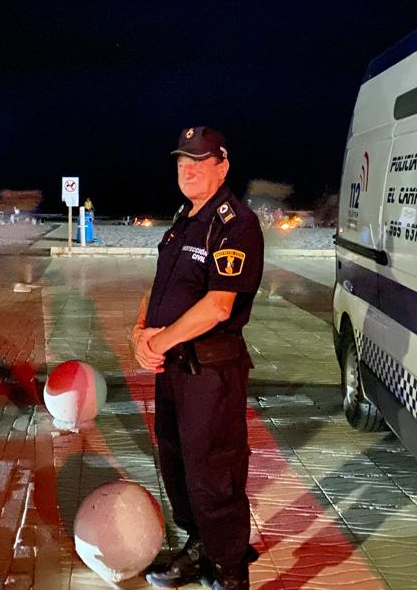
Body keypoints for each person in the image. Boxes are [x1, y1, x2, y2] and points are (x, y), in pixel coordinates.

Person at [132, 126, 265, 590]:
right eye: (181, 162)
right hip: (175, 367)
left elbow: (218, 306)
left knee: (214, 471)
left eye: (198, 162)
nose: (187, 170)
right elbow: (161, 287)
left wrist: (158, 341)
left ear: (222, 165)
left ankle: (229, 569)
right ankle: (199, 544)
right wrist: (138, 334)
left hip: (211, 369)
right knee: (176, 461)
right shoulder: (184, 220)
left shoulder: (234, 223)